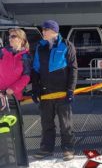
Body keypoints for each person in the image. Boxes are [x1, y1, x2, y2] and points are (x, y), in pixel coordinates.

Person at [31, 20, 78, 161]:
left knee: (65, 123)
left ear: (54, 31)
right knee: (46, 123)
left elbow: (73, 69)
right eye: (43, 30)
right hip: (46, 93)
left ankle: (68, 149)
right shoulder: (40, 47)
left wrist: (71, 89)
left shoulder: (66, 45)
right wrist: (35, 89)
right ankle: (46, 149)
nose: (43, 32)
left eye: (45, 30)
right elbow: (35, 70)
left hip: (62, 92)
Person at [0, 28, 31, 100]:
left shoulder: (25, 56)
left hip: (13, 96)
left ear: (21, 39)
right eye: (9, 36)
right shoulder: (2, 52)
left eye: (13, 36)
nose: (10, 38)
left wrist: (13, 88)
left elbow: (26, 76)